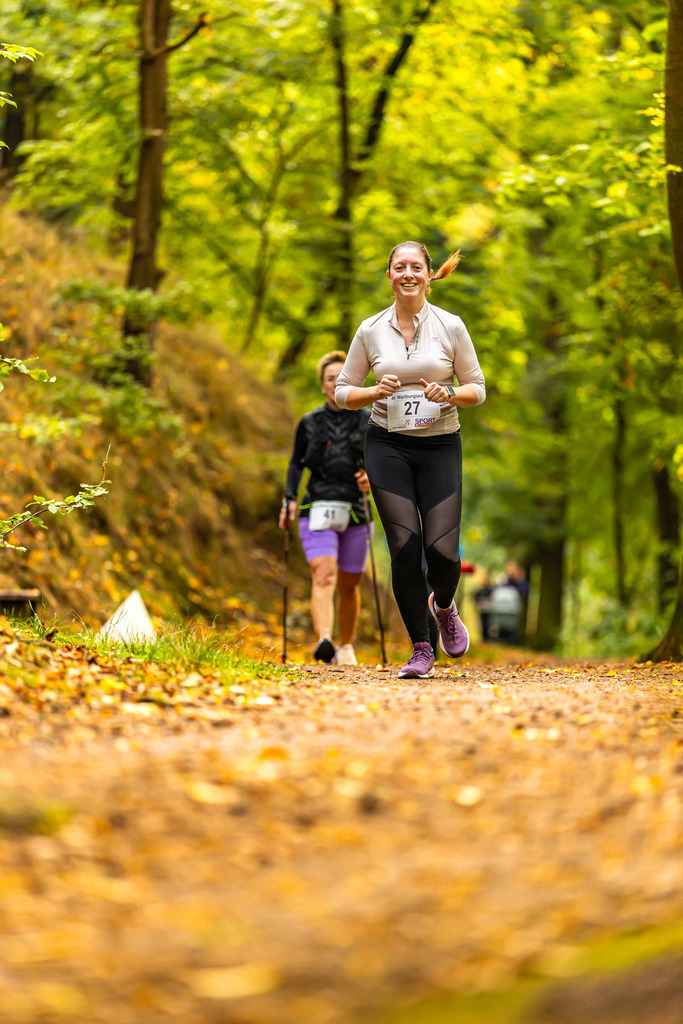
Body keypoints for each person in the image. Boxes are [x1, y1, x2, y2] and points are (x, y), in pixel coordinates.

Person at [335, 241, 486, 678]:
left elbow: (477, 387)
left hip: (440, 444)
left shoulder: (451, 326)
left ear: (428, 274)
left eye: (415, 267)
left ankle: (442, 604)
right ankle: (422, 648)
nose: (407, 274)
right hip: (387, 444)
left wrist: (450, 392)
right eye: (398, 267)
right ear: (389, 277)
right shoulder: (370, 329)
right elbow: (344, 392)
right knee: (404, 546)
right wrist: (373, 392)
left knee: (441, 551)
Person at [279, 350, 373, 665]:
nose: (336, 383)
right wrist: (290, 498)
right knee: (323, 574)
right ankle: (325, 640)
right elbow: (296, 463)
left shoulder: (369, 419)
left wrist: (371, 479)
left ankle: (345, 645)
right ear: (322, 385)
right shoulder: (309, 423)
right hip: (316, 506)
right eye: (330, 378)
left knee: (349, 584)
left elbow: (384, 464)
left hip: (357, 510)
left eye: (342, 377)